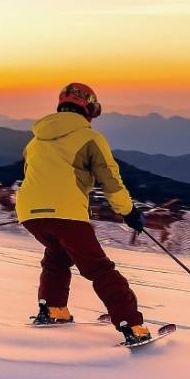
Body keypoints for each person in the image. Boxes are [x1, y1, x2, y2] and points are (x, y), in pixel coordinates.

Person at [15, 83, 150, 344]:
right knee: (99, 268)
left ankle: (54, 310)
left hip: (30, 213)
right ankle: (132, 326)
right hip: (67, 216)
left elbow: (36, 178)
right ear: (88, 108)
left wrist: (40, 210)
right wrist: (129, 212)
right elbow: (110, 181)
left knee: (57, 257)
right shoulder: (91, 139)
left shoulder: (34, 142)